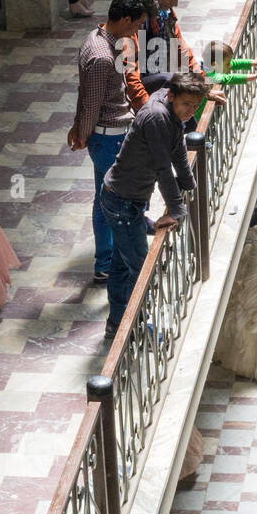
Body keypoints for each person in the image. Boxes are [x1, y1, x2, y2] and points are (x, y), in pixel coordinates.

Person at [99, 71, 210, 338]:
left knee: (121, 265)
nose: (189, 111)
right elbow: (163, 167)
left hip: (126, 200)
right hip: (122, 203)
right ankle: (140, 328)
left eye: (195, 106)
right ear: (171, 95)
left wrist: (189, 185)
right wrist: (175, 209)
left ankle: (116, 323)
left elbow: (177, 150)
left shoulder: (169, 110)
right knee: (142, 272)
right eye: (186, 105)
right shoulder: (157, 116)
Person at [68, 0, 156, 284]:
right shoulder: (102, 56)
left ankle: (107, 259)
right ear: (126, 19)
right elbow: (91, 103)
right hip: (110, 139)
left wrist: (78, 126)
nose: (138, 31)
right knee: (114, 202)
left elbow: (86, 96)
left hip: (112, 136)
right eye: (137, 24)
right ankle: (110, 261)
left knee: (104, 198)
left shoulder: (101, 39)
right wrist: (82, 133)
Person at [193, 41, 257, 124]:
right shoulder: (209, 77)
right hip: (199, 118)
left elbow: (234, 63)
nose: (230, 66)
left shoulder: (208, 66)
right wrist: (256, 76)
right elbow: (229, 78)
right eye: (227, 64)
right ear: (214, 64)